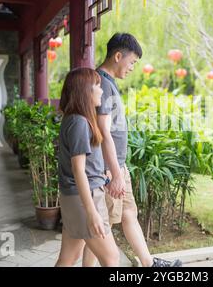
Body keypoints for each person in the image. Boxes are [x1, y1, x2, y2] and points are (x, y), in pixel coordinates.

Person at [82, 33, 182, 267]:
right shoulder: (102, 84)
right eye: (132, 62)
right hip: (107, 168)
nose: (132, 68)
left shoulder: (107, 82)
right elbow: (104, 132)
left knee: (128, 213)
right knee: (99, 228)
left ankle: (149, 264)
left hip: (117, 164)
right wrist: (114, 173)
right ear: (118, 56)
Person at [55, 68, 120, 267]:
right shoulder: (79, 123)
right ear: (85, 91)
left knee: (68, 258)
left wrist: (104, 176)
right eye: (97, 86)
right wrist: (92, 213)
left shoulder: (73, 119)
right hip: (85, 199)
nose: (101, 91)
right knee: (111, 258)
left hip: (74, 197)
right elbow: (78, 170)